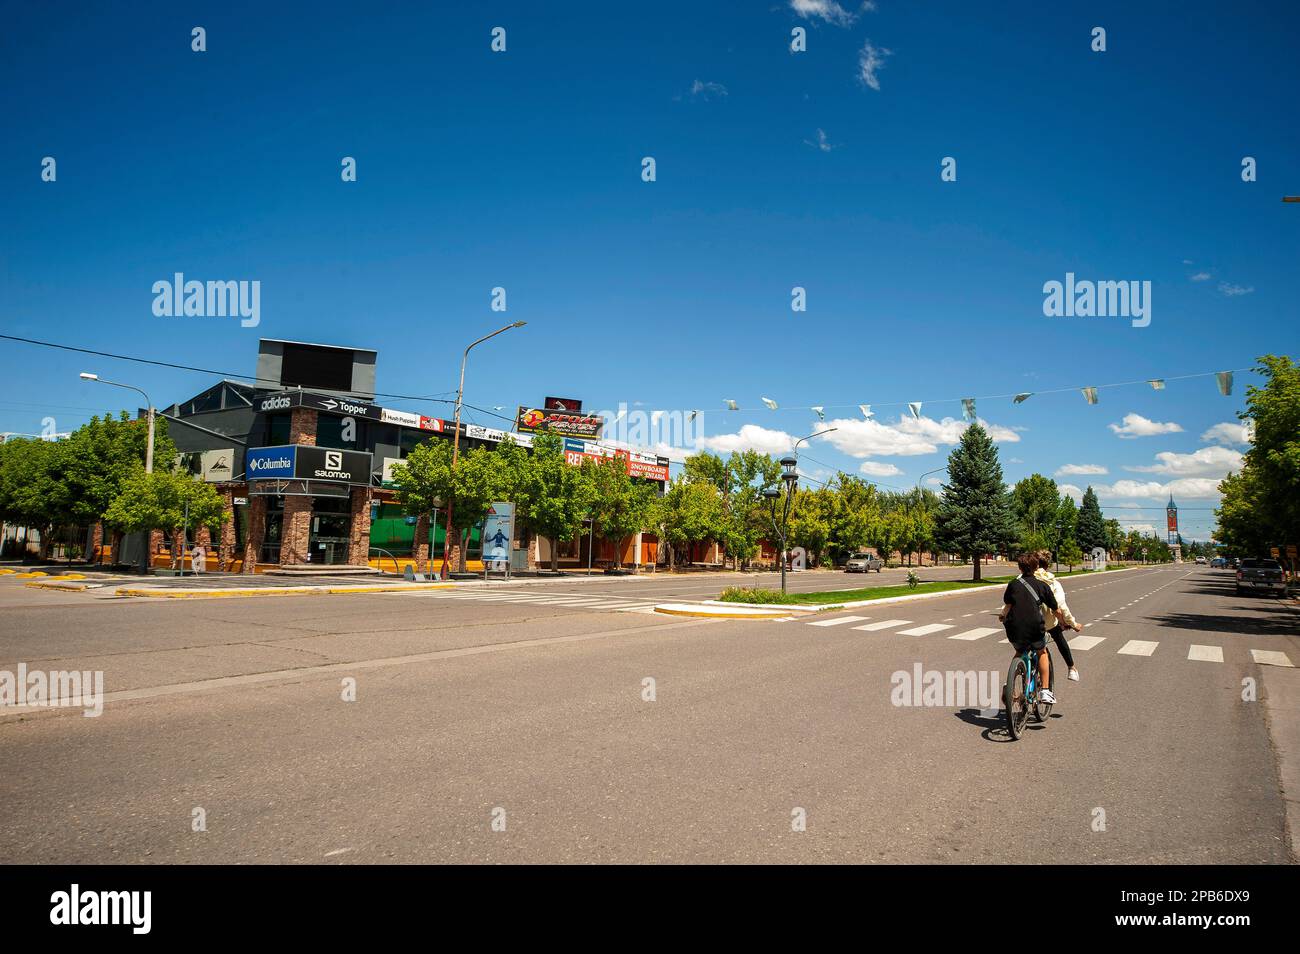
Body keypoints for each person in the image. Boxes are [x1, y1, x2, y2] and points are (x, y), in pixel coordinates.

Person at [998, 552, 1063, 706]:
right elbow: (1056, 610)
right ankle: (1045, 691)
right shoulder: (1042, 586)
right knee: (1042, 652)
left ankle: (1010, 686)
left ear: (1020, 568)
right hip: (1034, 626)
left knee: (1020, 652)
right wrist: (1063, 622)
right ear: (1036, 567)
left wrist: (1002, 616)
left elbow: (1008, 605)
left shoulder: (1013, 584)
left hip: (1014, 627)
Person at [1035, 550, 1083, 681]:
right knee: (1057, 636)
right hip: (1046, 622)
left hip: (1022, 621)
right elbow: (1061, 607)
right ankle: (1071, 668)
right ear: (1048, 564)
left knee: (1022, 648)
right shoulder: (1053, 583)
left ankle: (1016, 672)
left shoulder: (1022, 579)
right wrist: (1073, 624)